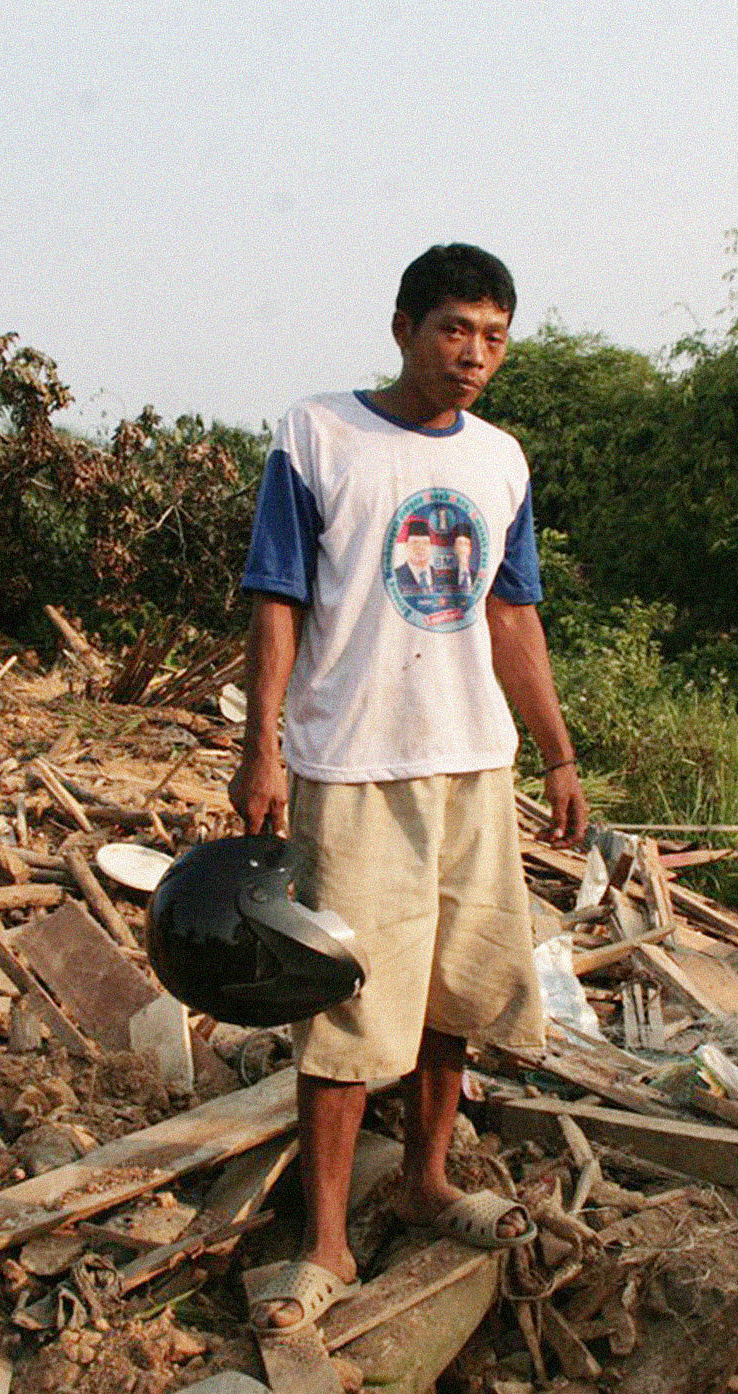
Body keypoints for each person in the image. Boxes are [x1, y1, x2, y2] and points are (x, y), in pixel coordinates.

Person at [231, 243, 587, 1334]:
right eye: (454, 330)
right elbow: (276, 598)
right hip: (352, 763)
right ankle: (325, 1236)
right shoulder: (319, 434)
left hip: (471, 761)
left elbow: (510, 613)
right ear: (403, 327)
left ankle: (428, 1178)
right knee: (344, 1003)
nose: (473, 355)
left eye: (492, 336)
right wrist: (263, 746)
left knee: (453, 988)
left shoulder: (502, 461)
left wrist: (559, 751)